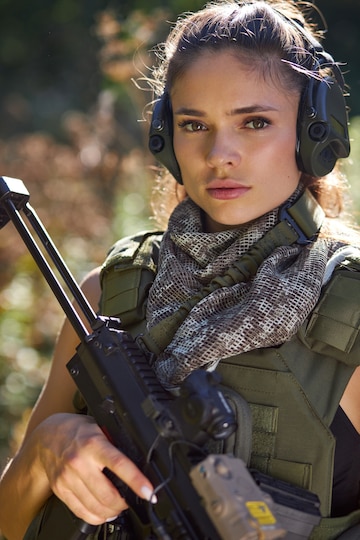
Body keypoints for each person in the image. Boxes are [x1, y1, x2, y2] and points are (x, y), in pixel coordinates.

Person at [1, 0, 360, 538]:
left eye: (255, 122)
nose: (220, 153)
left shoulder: (348, 316)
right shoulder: (109, 298)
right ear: (168, 140)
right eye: (195, 124)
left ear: (313, 135)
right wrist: (47, 451)